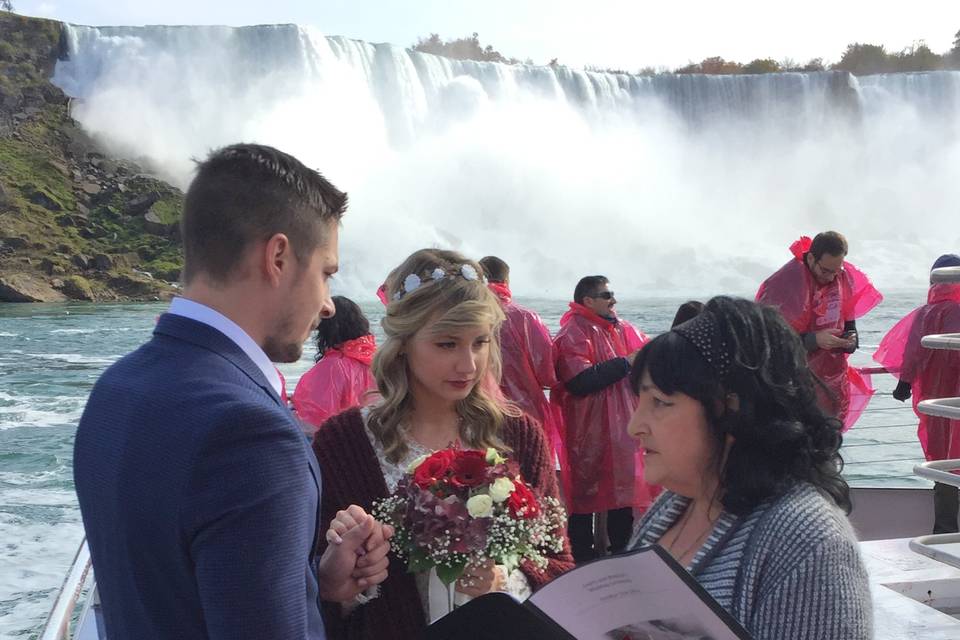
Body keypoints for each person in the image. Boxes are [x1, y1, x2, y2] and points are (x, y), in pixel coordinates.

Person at [73, 144, 391, 640]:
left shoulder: (116, 388)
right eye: (326, 273)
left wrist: (313, 582)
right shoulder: (254, 434)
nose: (328, 305)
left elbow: (170, 585)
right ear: (279, 257)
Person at [312, 248, 574, 639]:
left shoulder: (520, 435)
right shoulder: (344, 443)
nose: (468, 365)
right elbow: (308, 591)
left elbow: (559, 565)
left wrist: (506, 580)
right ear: (403, 343)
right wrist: (339, 582)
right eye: (447, 344)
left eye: (480, 342)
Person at [626, 296, 872, 640]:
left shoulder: (808, 543)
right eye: (640, 402)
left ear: (731, 408)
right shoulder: (673, 505)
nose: (634, 426)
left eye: (661, 403)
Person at [552, 275, 655, 562]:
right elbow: (579, 381)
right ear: (588, 300)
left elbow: (651, 355)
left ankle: (621, 557)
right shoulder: (574, 332)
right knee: (585, 498)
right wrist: (627, 362)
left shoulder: (621, 329)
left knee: (624, 494)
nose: (614, 300)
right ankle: (580, 561)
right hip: (590, 431)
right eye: (607, 295)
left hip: (623, 431)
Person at [756, 232, 883, 429]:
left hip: (832, 383)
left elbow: (850, 323)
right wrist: (815, 340)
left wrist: (850, 340)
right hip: (794, 386)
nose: (831, 277)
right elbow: (769, 341)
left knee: (829, 442)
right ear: (811, 258)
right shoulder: (785, 284)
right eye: (825, 271)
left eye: (836, 271)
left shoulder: (842, 277)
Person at [875, 253, 960, 533]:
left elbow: (912, 352)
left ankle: (944, 532)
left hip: (936, 400)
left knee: (943, 462)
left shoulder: (925, 313)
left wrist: (904, 382)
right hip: (953, 397)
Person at [478, 256, 564, 459]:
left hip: (479, 411)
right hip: (527, 411)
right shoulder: (526, 317)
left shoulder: (468, 315)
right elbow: (547, 372)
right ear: (506, 282)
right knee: (533, 474)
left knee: (487, 478)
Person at [294, 296, 378, 431]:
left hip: (336, 445)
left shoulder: (331, 367)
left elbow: (313, 422)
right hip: (369, 440)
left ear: (325, 329)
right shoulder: (377, 361)